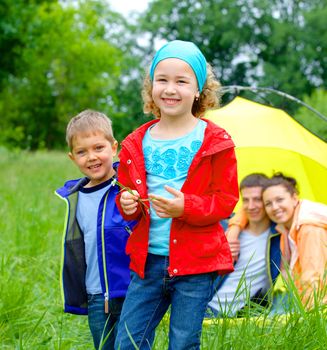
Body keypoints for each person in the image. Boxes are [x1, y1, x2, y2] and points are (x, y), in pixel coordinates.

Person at [114, 40, 239, 350]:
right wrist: (127, 204)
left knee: (183, 343)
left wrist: (186, 207)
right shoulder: (136, 141)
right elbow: (127, 192)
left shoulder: (215, 140)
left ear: (198, 90)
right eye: (162, 80)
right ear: (151, 87)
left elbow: (225, 201)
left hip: (197, 263)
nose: (170, 89)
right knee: (128, 341)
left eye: (181, 81)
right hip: (149, 262)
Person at [55, 110, 136, 349]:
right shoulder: (75, 197)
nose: (92, 157)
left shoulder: (129, 187)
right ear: (72, 157)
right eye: (82, 152)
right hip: (95, 296)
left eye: (98, 148)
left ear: (114, 147)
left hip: (131, 291)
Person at [208, 173, 281, 317]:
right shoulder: (224, 229)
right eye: (246, 200)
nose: (251, 206)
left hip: (243, 317)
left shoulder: (279, 236)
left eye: (257, 200)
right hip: (208, 308)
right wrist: (220, 251)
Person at [262, 173, 327, 308]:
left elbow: (313, 277)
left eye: (279, 200)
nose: (274, 207)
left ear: (294, 198)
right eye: (268, 203)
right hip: (299, 296)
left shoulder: (309, 229)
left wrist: (310, 320)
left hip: (318, 306)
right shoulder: (286, 228)